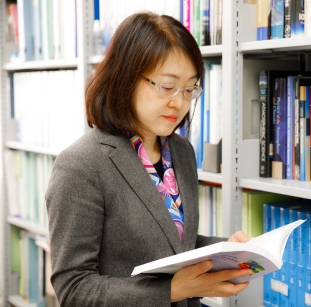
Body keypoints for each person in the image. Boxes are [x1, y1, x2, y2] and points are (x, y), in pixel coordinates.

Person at [45, 12, 252, 307]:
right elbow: (74, 289)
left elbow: (174, 241)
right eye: (167, 86)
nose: (179, 103)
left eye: (190, 89)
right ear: (126, 78)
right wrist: (169, 291)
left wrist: (225, 250)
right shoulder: (81, 165)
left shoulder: (181, 151)